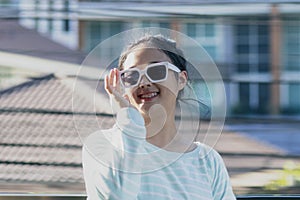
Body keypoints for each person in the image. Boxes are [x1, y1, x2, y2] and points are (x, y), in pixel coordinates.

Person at [82, 34, 236, 200]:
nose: (143, 82)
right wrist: (127, 119)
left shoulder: (207, 160)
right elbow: (117, 196)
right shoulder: (102, 145)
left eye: (156, 71)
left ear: (181, 80)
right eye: (132, 76)